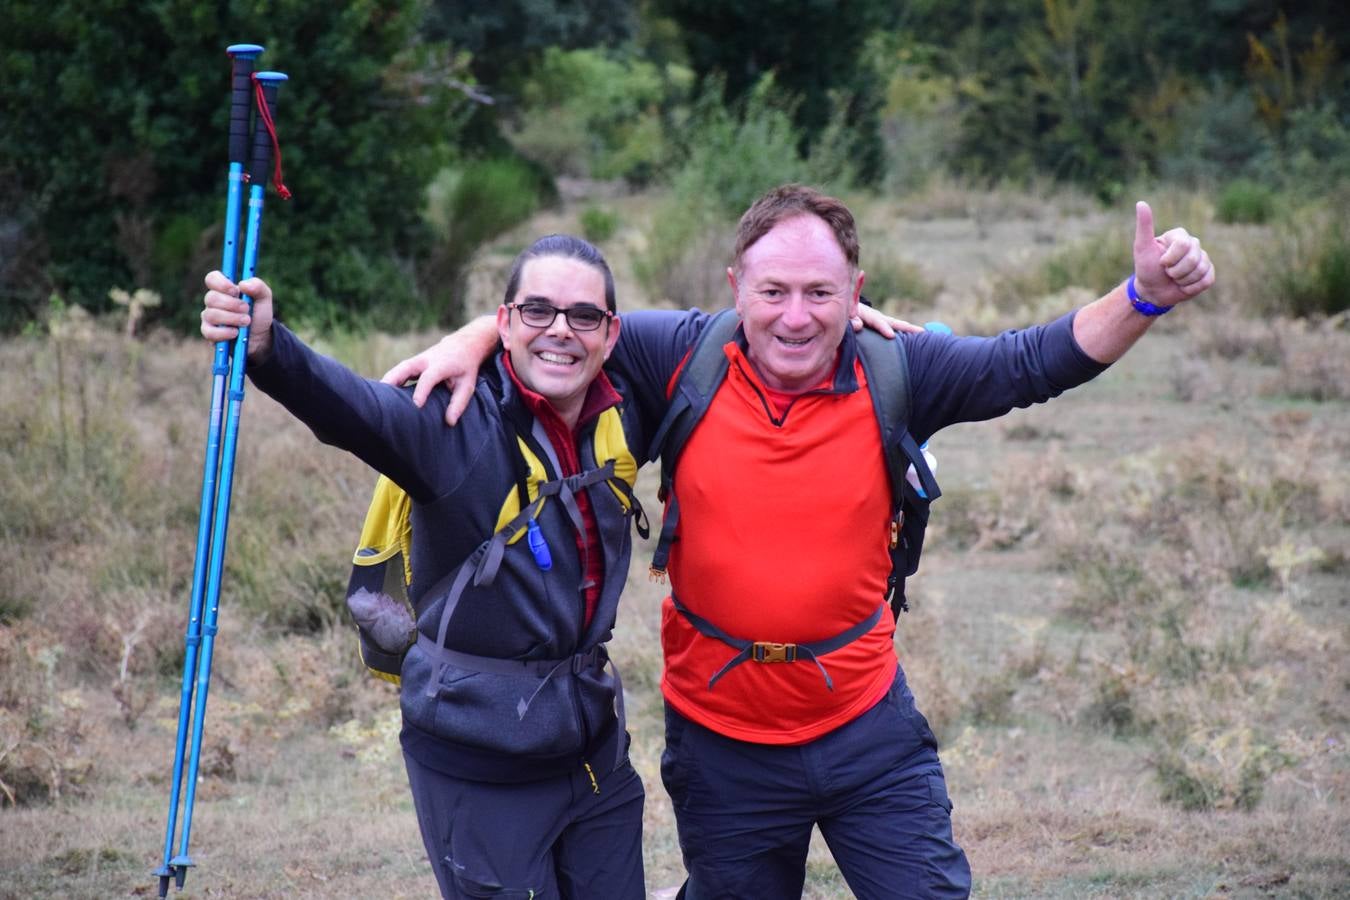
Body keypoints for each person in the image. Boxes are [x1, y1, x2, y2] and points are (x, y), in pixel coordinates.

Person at [381, 185, 1216, 899]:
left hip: (866, 728)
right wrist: (472, 337)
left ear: (857, 291)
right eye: (774, 291)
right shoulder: (681, 351)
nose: (794, 315)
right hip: (721, 740)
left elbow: (1029, 363)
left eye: (820, 293)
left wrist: (1143, 295)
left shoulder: (898, 368)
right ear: (736, 285)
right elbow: (561, 324)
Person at [199, 235, 653, 900]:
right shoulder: (454, 424)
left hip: (595, 766)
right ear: (503, 324)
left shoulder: (626, 408)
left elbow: (741, 331)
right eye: (536, 312)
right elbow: (353, 408)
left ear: (610, 333)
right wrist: (270, 348)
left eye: (583, 316)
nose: (561, 331)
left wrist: (842, 313)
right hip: (480, 771)